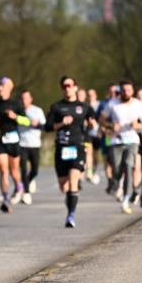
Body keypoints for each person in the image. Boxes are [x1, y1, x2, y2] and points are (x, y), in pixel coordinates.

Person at [44, 76, 93, 228]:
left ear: (75, 87)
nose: (67, 88)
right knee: (64, 186)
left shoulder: (84, 107)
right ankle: (72, 196)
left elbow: (93, 122)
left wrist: (93, 123)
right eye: (65, 86)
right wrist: (60, 124)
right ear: (62, 88)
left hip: (78, 146)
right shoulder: (56, 107)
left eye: (70, 85)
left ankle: (70, 215)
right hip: (62, 148)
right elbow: (47, 127)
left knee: (73, 181)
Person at [106, 80, 142, 214]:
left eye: (129, 90)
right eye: (124, 90)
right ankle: (116, 183)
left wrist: (138, 126)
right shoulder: (113, 103)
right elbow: (102, 119)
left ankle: (126, 199)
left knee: (128, 166)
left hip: (132, 141)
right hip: (116, 141)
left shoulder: (138, 105)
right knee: (117, 170)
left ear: (132, 91)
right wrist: (110, 125)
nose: (126, 93)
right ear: (120, 91)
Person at [0, 77, 28, 213]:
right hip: (0, 139)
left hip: (13, 140)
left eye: (2, 86)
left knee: (14, 170)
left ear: (9, 88)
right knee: (3, 170)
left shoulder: (16, 104)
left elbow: (26, 121)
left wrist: (15, 117)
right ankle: (5, 199)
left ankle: (19, 185)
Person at [18, 89, 45, 205]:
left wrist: (37, 124)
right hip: (21, 144)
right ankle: (26, 193)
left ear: (31, 99)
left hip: (34, 144)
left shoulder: (37, 111)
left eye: (26, 98)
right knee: (23, 169)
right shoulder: (18, 111)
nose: (24, 101)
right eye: (22, 98)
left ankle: (29, 181)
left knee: (35, 170)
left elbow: (44, 125)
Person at [84, 88, 102, 184]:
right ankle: (89, 171)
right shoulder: (85, 106)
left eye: (92, 95)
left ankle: (93, 169)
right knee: (88, 152)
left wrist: (100, 129)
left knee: (96, 154)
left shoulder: (100, 105)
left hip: (97, 133)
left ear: (95, 95)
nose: (90, 97)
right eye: (89, 95)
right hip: (88, 134)